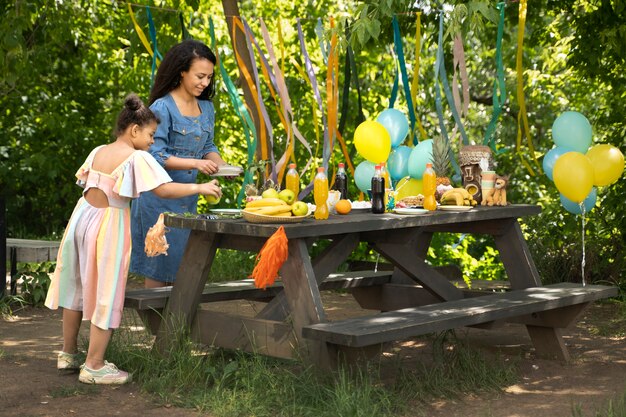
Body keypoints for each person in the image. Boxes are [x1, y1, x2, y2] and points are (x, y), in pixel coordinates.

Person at [44, 94, 222, 385]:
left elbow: (89, 182)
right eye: (151, 135)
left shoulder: (99, 150)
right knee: (108, 289)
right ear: (134, 130)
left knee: (74, 285)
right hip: (108, 223)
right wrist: (200, 188)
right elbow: (163, 190)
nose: (153, 141)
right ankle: (94, 364)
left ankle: (68, 353)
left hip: (81, 219)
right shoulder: (137, 156)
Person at [130, 39, 229, 289]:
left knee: (184, 266)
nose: (205, 83)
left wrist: (223, 166)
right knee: (159, 265)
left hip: (188, 200)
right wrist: (196, 164)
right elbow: (156, 156)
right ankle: (157, 327)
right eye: (199, 76)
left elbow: (208, 146)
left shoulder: (206, 108)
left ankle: (176, 327)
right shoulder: (162, 107)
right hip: (158, 201)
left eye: (209, 77)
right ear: (182, 71)